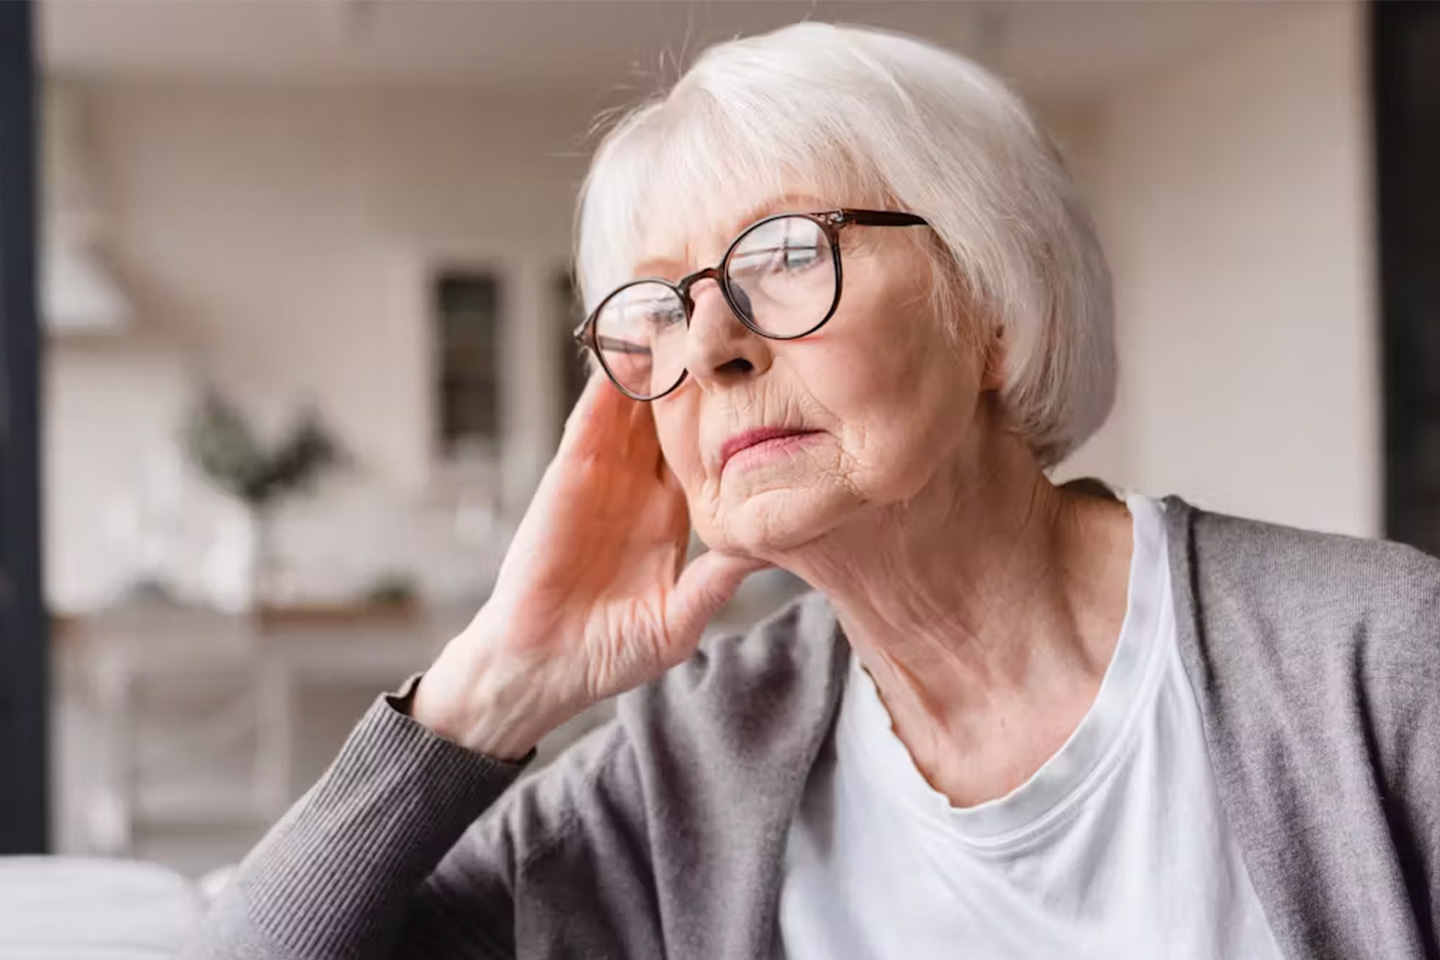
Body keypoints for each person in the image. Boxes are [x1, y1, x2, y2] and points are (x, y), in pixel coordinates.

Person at [186, 22, 1440, 960]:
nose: (716, 342)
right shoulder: (693, 762)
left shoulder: (1376, 664)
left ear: (994, 314)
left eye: (790, 255)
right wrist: (498, 681)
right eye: (660, 306)